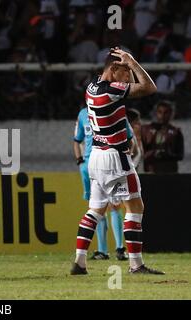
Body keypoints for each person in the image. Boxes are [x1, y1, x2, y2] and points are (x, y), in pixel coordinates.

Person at [71, 47, 164, 275]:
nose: (128, 77)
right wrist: (132, 62)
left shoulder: (92, 86)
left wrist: (127, 65)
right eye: (125, 71)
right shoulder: (111, 90)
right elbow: (149, 87)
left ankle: (79, 262)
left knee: (95, 210)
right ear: (114, 69)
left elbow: (130, 86)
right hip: (115, 157)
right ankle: (136, 264)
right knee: (135, 206)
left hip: (96, 157)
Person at [74, 106, 128, 261]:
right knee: (97, 207)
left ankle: (119, 248)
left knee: (114, 205)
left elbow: (128, 138)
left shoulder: (114, 110)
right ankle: (103, 250)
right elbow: (77, 139)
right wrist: (80, 161)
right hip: (91, 166)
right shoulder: (83, 113)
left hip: (109, 162)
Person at [141, 101, 184, 173]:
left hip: (170, 172)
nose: (162, 115)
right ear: (156, 113)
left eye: (166, 112)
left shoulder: (176, 132)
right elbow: (141, 153)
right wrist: (153, 153)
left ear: (171, 114)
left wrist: (167, 155)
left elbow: (180, 155)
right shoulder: (146, 130)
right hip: (151, 172)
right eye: (160, 112)